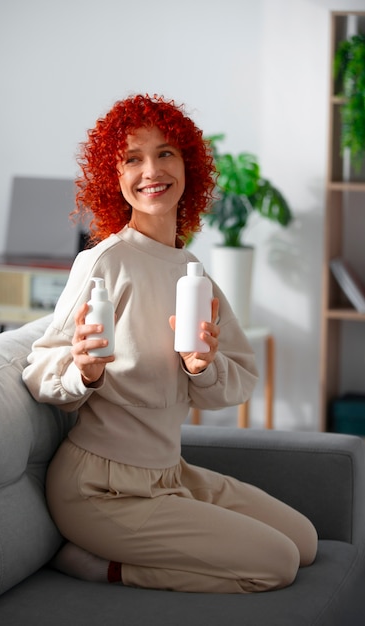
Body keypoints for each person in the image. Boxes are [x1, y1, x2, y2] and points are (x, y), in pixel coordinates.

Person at [22, 94, 317, 593]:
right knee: (278, 565)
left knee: (305, 541)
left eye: (165, 154)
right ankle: (101, 566)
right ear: (113, 179)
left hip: (168, 473)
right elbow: (41, 368)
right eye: (131, 159)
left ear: (188, 166)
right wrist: (84, 372)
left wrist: (202, 367)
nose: (151, 170)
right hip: (99, 489)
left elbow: (237, 383)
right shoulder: (104, 263)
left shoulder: (192, 272)